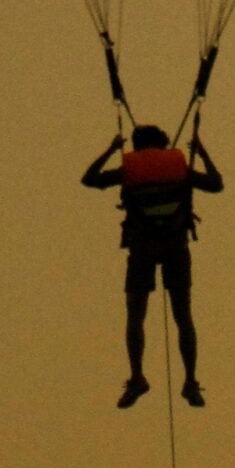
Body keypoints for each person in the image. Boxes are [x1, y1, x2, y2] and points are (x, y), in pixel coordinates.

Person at [81, 122, 223, 409]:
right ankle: (191, 382)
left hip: (142, 249)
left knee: (136, 316)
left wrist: (111, 149)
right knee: (183, 316)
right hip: (175, 248)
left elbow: (90, 179)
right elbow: (216, 184)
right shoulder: (180, 169)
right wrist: (201, 150)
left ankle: (137, 378)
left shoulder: (129, 170)